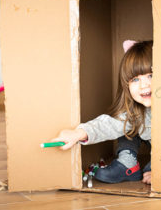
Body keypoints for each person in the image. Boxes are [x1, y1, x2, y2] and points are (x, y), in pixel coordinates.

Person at [51, 40, 153, 185]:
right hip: (150, 141)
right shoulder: (137, 111)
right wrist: (78, 133)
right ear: (126, 85)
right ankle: (128, 164)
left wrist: (159, 169)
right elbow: (109, 125)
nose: (144, 85)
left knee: (155, 168)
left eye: (151, 76)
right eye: (136, 79)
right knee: (125, 127)